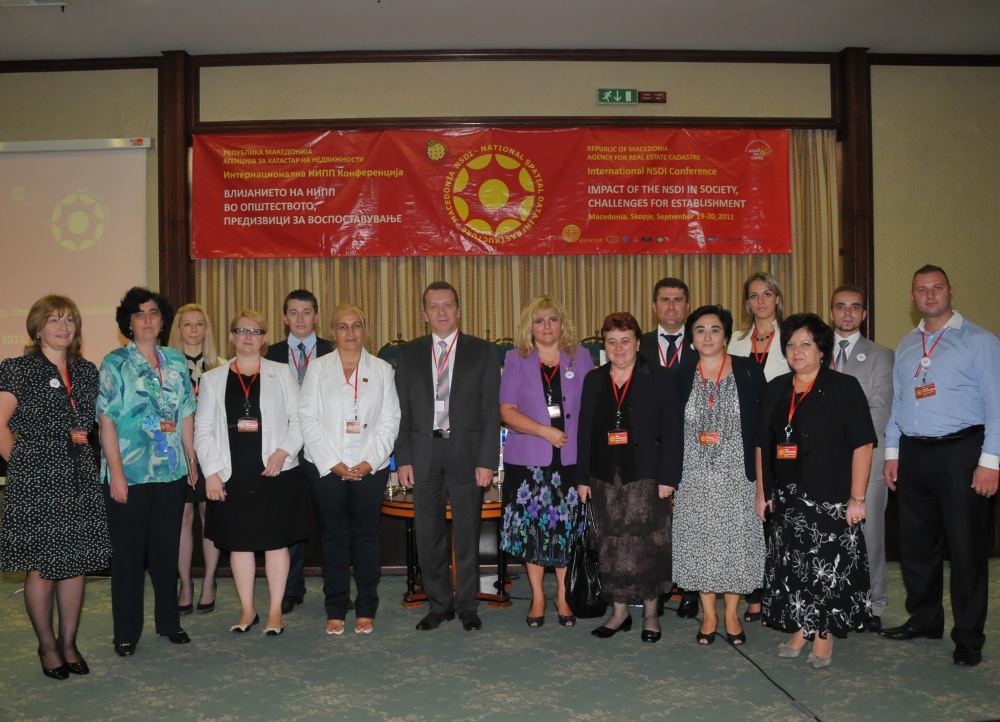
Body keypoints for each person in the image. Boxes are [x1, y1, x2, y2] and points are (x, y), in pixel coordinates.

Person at [879, 265, 999, 668]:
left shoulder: (980, 341)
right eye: (921, 289)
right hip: (914, 453)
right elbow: (898, 404)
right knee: (915, 546)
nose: (929, 295)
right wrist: (892, 454)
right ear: (912, 297)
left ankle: (968, 636)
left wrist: (990, 462)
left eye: (937, 288)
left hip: (962, 453)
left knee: (966, 550)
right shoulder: (907, 344)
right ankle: (926, 619)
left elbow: (997, 406)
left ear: (950, 291)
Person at [0, 296, 112, 680]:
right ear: (37, 329)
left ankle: (69, 643)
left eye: (69, 320)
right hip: (36, 480)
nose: (63, 327)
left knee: (74, 563)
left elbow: (96, 422)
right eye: (53, 320)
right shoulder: (18, 369)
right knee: (43, 567)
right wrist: (25, 466)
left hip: (79, 474)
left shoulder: (85, 370)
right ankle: (47, 646)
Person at [757, 313, 876, 668]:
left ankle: (823, 633)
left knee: (826, 567)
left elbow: (863, 444)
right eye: (791, 344)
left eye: (806, 344)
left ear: (822, 349)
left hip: (830, 496)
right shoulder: (776, 388)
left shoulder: (844, 387)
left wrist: (857, 498)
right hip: (788, 497)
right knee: (795, 566)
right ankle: (801, 627)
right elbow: (763, 445)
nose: (797, 351)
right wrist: (762, 493)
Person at [394, 281, 501, 632]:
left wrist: (487, 461)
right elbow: (401, 411)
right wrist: (403, 458)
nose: (441, 312)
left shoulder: (482, 351)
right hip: (424, 454)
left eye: (447, 305)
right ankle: (439, 604)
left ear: (458, 309)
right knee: (429, 535)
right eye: (434, 306)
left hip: (466, 453)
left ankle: (468, 605)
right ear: (424, 313)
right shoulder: (409, 353)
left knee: (467, 533)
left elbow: (490, 411)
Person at [97, 287, 198, 657]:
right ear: (129, 322)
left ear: (162, 319)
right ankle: (126, 632)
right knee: (128, 557)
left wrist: (191, 459)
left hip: (170, 473)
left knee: (166, 552)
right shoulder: (114, 362)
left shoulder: (175, 361)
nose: (147, 319)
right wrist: (117, 474)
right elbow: (106, 421)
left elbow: (185, 413)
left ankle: (169, 623)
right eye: (139, 314)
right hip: (130, 474)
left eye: (153, 312)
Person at [196, 309, 306, 636]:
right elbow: (203, 431)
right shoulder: (213, 379)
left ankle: (275, 611)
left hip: (274, 470)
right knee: (239, 544)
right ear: (232, 336)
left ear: (264, 338)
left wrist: (283, 451)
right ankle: (247, 609)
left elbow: (300, 421)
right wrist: (211, 473)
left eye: (255, 331)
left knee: (275, 543)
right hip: (231, 473)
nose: (248, 337)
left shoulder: (281, 373)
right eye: (241, 331)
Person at [577, 312, 682, 644]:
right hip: (604, 476)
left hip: (646, 474)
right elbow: (584, 431)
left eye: (625, 340)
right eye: (612, 341)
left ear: (638, 343)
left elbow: (673, 432)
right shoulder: (594, 380)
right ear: (604, 346)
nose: (619, 347)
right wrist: (582, 477)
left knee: (649, 543)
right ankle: (619, 612)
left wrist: (669, 477)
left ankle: (650, 613)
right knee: (610, 544)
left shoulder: (660, 378)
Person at [299, 304, 400, 636]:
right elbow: (308, 419)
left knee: (367, 536)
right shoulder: (317, 369)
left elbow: (390, 421)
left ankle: (367, 605)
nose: (350, 332)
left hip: (370, 466)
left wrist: (370, 462)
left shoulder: (382, 370)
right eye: (343, 326)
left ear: (365, 330)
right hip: (326, 466)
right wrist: (334, 463)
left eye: (356, 325)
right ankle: (336, 606)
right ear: (333, 332)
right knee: (333, 536)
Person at [671, 305, 767, 646]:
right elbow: (669, 430)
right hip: (694, 476)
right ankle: (710, 614)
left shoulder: (748, 370)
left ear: (726, 336)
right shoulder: (680, 375)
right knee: (701, 545)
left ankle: (731, 614)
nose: (708, 336)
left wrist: (763, 481)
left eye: (715, 329)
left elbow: (762, 429)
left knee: (736, 545)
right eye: (700, 330)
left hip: (737, 476)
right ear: (691, 338)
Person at [499, 295, 594, 628]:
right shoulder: (515, 359)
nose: (546, 326)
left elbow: (592, 407)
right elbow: (507, 411)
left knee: (566, 528)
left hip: (570, 460)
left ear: (562, 323)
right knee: (534, 529)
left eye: (553, 319)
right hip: (528, 461)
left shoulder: (581, 356)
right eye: (539, 321)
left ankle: (563, 596)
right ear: (530, 326)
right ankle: (538, 596)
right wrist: (544, 431)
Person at [264, 289, 334, 615]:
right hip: (286, 450)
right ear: (284, 318)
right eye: (294, 312)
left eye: (306, 312)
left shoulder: (334, 351)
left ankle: (336, 588)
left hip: (327, 449)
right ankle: (291, 589)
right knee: (290, 523)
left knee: (332, 523)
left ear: (316, 316)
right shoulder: (271, 355)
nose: (300, 318)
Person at [829, 285, 894, 633]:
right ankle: (836, 598)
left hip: (867, 460)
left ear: (864, 314)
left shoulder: (881, 355)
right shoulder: (815, 351)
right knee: (830, 536)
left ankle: (873, 603)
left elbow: (880, 410)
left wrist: (842, 442)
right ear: (831, 313)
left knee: (869, 537)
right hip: (823, 463)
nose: (847, 313)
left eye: (855, 307)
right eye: (841, 306)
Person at [728, 270, 788, 622]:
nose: (760, 301)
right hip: (744, 439)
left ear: (777, 298)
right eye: (754, 295)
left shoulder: (792, 337)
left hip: (784, 438)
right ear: (747, 303)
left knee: (779, 518)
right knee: (750, 519)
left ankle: (779, 593)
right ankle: (754, 596)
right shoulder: (735, 342)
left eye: (767, 294)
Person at [638, 276, 700, 619]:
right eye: (665, 299)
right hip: (651, 447)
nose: (671, 306)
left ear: (687, 306)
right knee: (654, 522)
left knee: (689, 520)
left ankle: (689, 591)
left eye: (678, 300)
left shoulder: (702, 341)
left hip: (695, 444)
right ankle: (657, 589)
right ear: (654, 306)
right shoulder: (639, 344)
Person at [167, 303, 224, 615]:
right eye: (187, 323)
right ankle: (186, 583)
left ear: (206, 329)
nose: (193, 329)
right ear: (178, 328)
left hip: (212, 452)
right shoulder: (165, 365)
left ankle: (209, 581)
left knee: (209, 517)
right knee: (183, 518)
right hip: (176, 452)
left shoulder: (221, 366)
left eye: (199, 323)